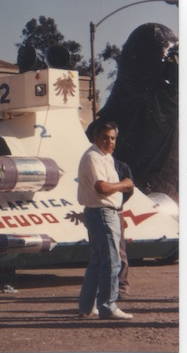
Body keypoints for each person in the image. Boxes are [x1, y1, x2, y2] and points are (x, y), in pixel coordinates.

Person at [77, 120, 135, 320]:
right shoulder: (93, 157)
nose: (110, 142)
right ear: (95, 137)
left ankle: (87, 306)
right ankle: (108, 306)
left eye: (113, 138)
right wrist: (124, 184)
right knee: (112, 261)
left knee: (98, 261)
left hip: (104, 212)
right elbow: (101, 188)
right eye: (105, 137)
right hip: (102, 213)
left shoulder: (105, 157)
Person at [114, 158, 134, 297]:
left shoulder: (121, 166)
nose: (109, 142)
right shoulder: (94, 162)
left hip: (116, 212)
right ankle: (105, 286)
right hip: (98, 211)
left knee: (120, 250)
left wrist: (117, 204)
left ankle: (122, 285)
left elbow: (129, 190)